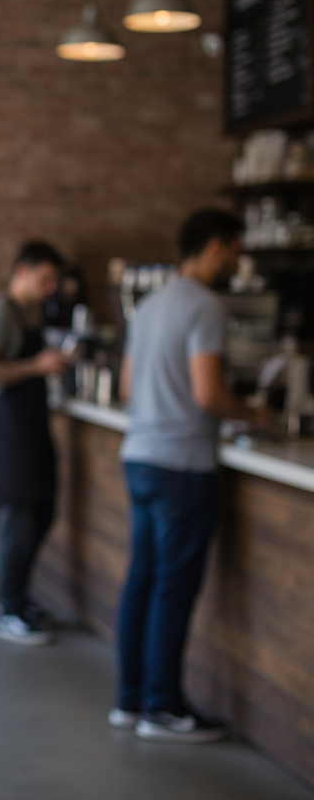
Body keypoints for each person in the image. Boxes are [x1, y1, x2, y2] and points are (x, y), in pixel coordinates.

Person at [109, 209, 267, 742]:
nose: (238, 262)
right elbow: (208, 394)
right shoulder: (206, 305)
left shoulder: (150, 304)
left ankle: (130, 700)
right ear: (218, 247)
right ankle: (163, 707)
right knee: (173, 589)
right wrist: (254, 413)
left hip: (140, 456)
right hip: (182, 464)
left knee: (142, 580)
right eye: (236, 251)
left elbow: (128, 385)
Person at [0, 241, 68, 645]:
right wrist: (38, 365)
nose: (50, 289)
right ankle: (8, 610)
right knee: (16, 516)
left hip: (32, 423)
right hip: (10, 428)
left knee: (41, 512)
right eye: (45, 280)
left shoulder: (29, 311)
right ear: (23, 271)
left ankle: (19, 598)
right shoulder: (0, 313)